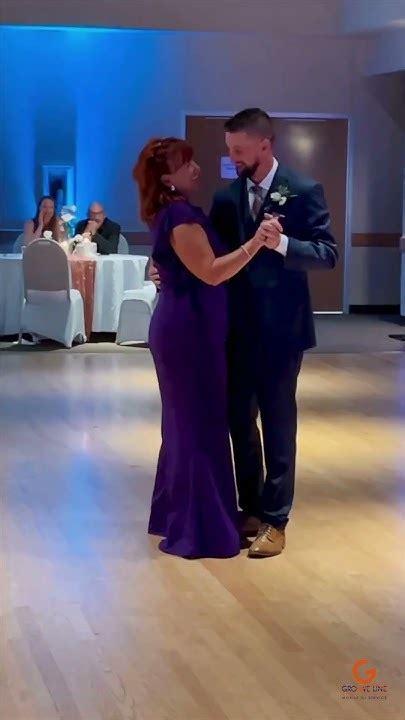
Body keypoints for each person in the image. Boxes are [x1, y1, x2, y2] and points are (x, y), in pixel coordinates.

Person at [150, 109, 338, 558]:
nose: (231, 158)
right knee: (238, 422)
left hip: (282, 332)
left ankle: (276, 519)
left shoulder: (302, 189)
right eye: (230, 149)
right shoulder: (226, 197)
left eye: (239, 150)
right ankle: (250, 508)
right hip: (231, 330)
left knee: (278, 424)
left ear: (264, 145)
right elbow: (207, 254)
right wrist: (164, 269)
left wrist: (283, 243)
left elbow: (327, 253)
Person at [133, 136, 279, 559]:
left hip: (191, 327)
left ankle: (179, 513)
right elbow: (211, 272)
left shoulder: (180, 211)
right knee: (197, 425)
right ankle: (199, 526)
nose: (196, 168)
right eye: (186, 164)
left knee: (186, 424)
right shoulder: (180, 214)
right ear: (167, 178)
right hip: (188, 333)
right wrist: (256, 242)